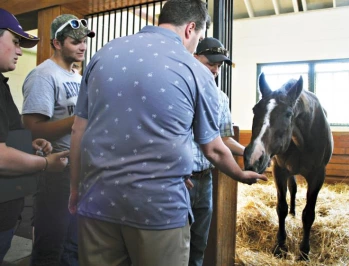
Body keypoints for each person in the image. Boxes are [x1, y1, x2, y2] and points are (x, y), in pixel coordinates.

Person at [68, 1, 267, 265]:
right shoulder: (195, 70)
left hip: (98, 201)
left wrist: (75, 188)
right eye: (198, 38)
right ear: (191, 29)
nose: (195, 45)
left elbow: (78, 130)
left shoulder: (103, 54)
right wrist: (240, 174)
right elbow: (214, 148)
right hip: (157, 211)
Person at [21, 14, 94, 265]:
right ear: (57, 43)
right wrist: (80, 120)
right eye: (75, 41)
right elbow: (32, 129)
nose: (83, 46)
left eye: (84, 41)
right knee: (52, 247)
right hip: (56, 173)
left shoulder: (77, 77)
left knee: (72, 247)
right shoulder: (44, 75)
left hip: (79, 172)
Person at [0, 8, 69, 264]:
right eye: (16, 42)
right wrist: (45, 163)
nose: (20, 50)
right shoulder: (43, 75)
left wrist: (27, 146)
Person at [185, 37, 245, 266]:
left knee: (199, 241)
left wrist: (247, 152)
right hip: (182, 179)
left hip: (205, 179)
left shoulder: (220, 98)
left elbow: (225, 138)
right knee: (176, 241)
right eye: (210, 63)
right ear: (195, 58)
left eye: (218, 66)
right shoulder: (179, 91)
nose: (215, 70)